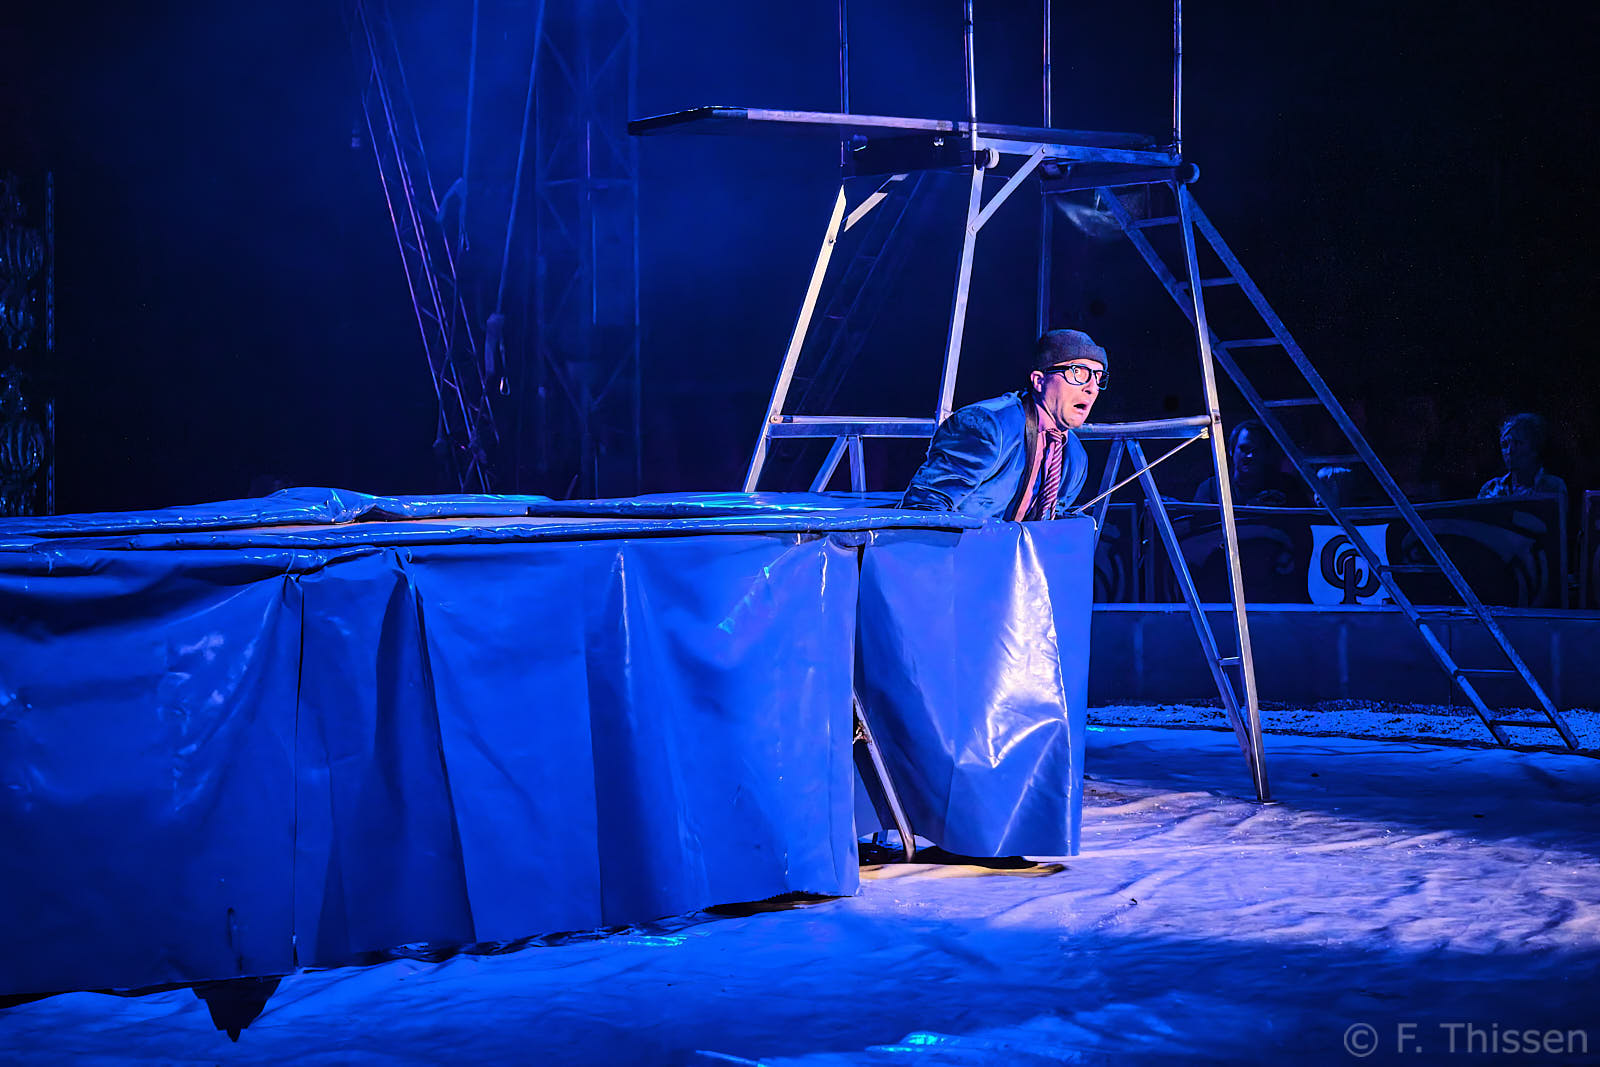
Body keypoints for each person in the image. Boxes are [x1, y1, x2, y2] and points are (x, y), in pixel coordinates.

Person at [899, 329, 1105, 518]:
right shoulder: (986, 426)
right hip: (959, 545)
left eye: (1098, 377)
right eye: (1078, 373)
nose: (1092, 388)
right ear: (1039, 380)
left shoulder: (1075, 457)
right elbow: (925, 510)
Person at [1192, 419, 1308, 507]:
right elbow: (1199, 527)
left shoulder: (1286, 486)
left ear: (1266, 453)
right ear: (1231, 450)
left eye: (1257, 450)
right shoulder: (1211, 489)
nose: (1250, 456)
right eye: (1244, 449)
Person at [1478, 413, 1567, 505]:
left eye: (1518, 443)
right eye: (1505, 444)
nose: (1509, 451)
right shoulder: (1491, 488)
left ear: (1534, 447)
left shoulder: (1552, 486)